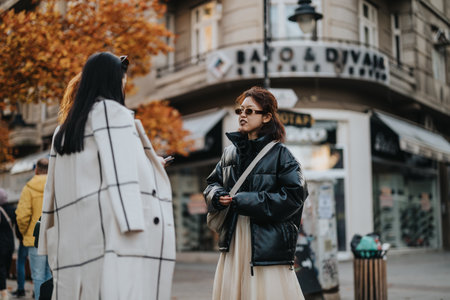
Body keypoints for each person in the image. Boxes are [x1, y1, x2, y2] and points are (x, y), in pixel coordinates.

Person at [38, 52, 175, 300]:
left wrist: (47, 238)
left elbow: (53, 189)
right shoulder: (113, 114)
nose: (124, 83)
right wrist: (136, 226)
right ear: (112, 79)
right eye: (122, 77)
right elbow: (124, 178)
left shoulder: (64, 130)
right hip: (111, 236)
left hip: (73, 239)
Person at [204, 86, 308, 300]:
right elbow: (211, 184)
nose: (242, 115)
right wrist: (216, 196)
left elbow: (294, 197)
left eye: (250, 111)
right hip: (234, 240)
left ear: (267, 116)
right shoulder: (229, 154)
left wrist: (246, 201)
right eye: (240, 110)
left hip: (265, 247)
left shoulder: (282, 155)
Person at [15, 158, 52, 300]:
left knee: (37, 276)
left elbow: (22, 216)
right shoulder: (56, 184)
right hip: (53, 236)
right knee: (51, 275)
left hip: (35, 238)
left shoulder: (29, 188)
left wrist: (26, 232)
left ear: (36, 169)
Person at [0, 188, 15, 300]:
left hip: (1, 244)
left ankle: (4, 293)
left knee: (1, 268)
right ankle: (4, 291)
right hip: (10, 243)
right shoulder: (12, 210)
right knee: (6, 266)